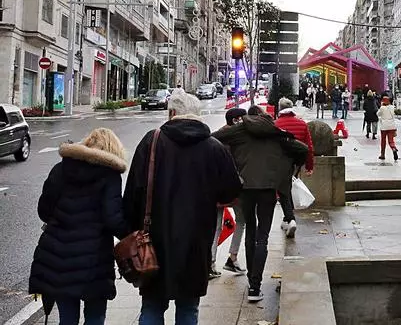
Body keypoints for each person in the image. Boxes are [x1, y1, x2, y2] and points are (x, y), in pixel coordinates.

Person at [124, 89, 242, 324]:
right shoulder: (214, 147)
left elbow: (133, 192)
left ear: (172, 113)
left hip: (154, 239)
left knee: (152, 305)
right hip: (196, 240)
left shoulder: (152, 141)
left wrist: (129, 230)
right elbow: (231, 191)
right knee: (188, 307)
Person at [29, 129, 129, 325]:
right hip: (94, 260)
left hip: (59, 257)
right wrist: (132, 234)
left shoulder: (61, 169)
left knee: (67, 318)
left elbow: (44, 211)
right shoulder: (110, 176)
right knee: (95, 316)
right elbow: (113, 220)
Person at [213, 105, 304, 302]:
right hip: (268, 189)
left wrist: (232, 167)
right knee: (262, 237)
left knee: (250, 231)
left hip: (245, 189)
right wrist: (287, 171)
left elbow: (214, 139)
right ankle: (255, 287)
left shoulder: (239, 131)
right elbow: (301, 149)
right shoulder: (275, 131)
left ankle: (251, 281)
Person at [210, 108, 248, 278]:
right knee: (241, 220)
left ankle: (210, 262)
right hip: (234, 187)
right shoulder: (237, 138)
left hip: (215, 188)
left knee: (216, 226)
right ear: (236, 120)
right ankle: (233, 257)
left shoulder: (215, 138)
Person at [274, 97, 315, 238]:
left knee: (284, 191)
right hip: (296, 163)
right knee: (288, 188)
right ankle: (288, 219)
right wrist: (309, 166)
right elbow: (309, 147)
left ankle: (290, 219)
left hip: (280, 162)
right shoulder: (302, 124)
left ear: (280, 108)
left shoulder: (275, 124)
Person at [377, 96, 399, 163]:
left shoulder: (382, 108)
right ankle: (393, 148)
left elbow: (378, 114)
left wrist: (381, 106)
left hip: (384, 126)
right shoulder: (392, 107)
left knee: (383, 141)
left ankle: (382, 155)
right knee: (391, 140)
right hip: (392, 126)